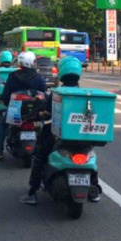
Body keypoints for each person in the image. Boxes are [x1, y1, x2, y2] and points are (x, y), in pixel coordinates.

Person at [20, 57, 100, 205]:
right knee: (90, 154)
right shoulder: (85, 94)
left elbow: (47, 112)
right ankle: (95, 187)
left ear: (62, 72)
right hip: (81, 137)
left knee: (40, 157)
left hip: (58, 136)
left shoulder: (57, 93)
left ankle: (32, 192)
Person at [0, 51, 46, 161]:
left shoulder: (13, 76)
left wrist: (7, 103)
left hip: (15, 110)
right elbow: (43, 94)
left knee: (2, 126)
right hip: (34, 111)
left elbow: (6, 94)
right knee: (44, 127)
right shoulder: (37, 77)